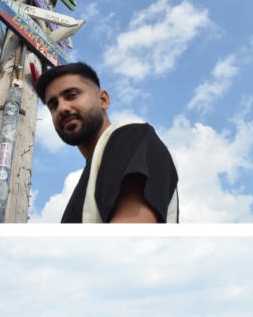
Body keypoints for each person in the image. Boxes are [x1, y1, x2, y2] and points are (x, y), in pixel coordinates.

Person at [35, 62, 179, 223]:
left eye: (72, 95)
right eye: (53, 105)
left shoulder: (129, 133)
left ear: (103, 100)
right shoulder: (90, 178)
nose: (61, 108)